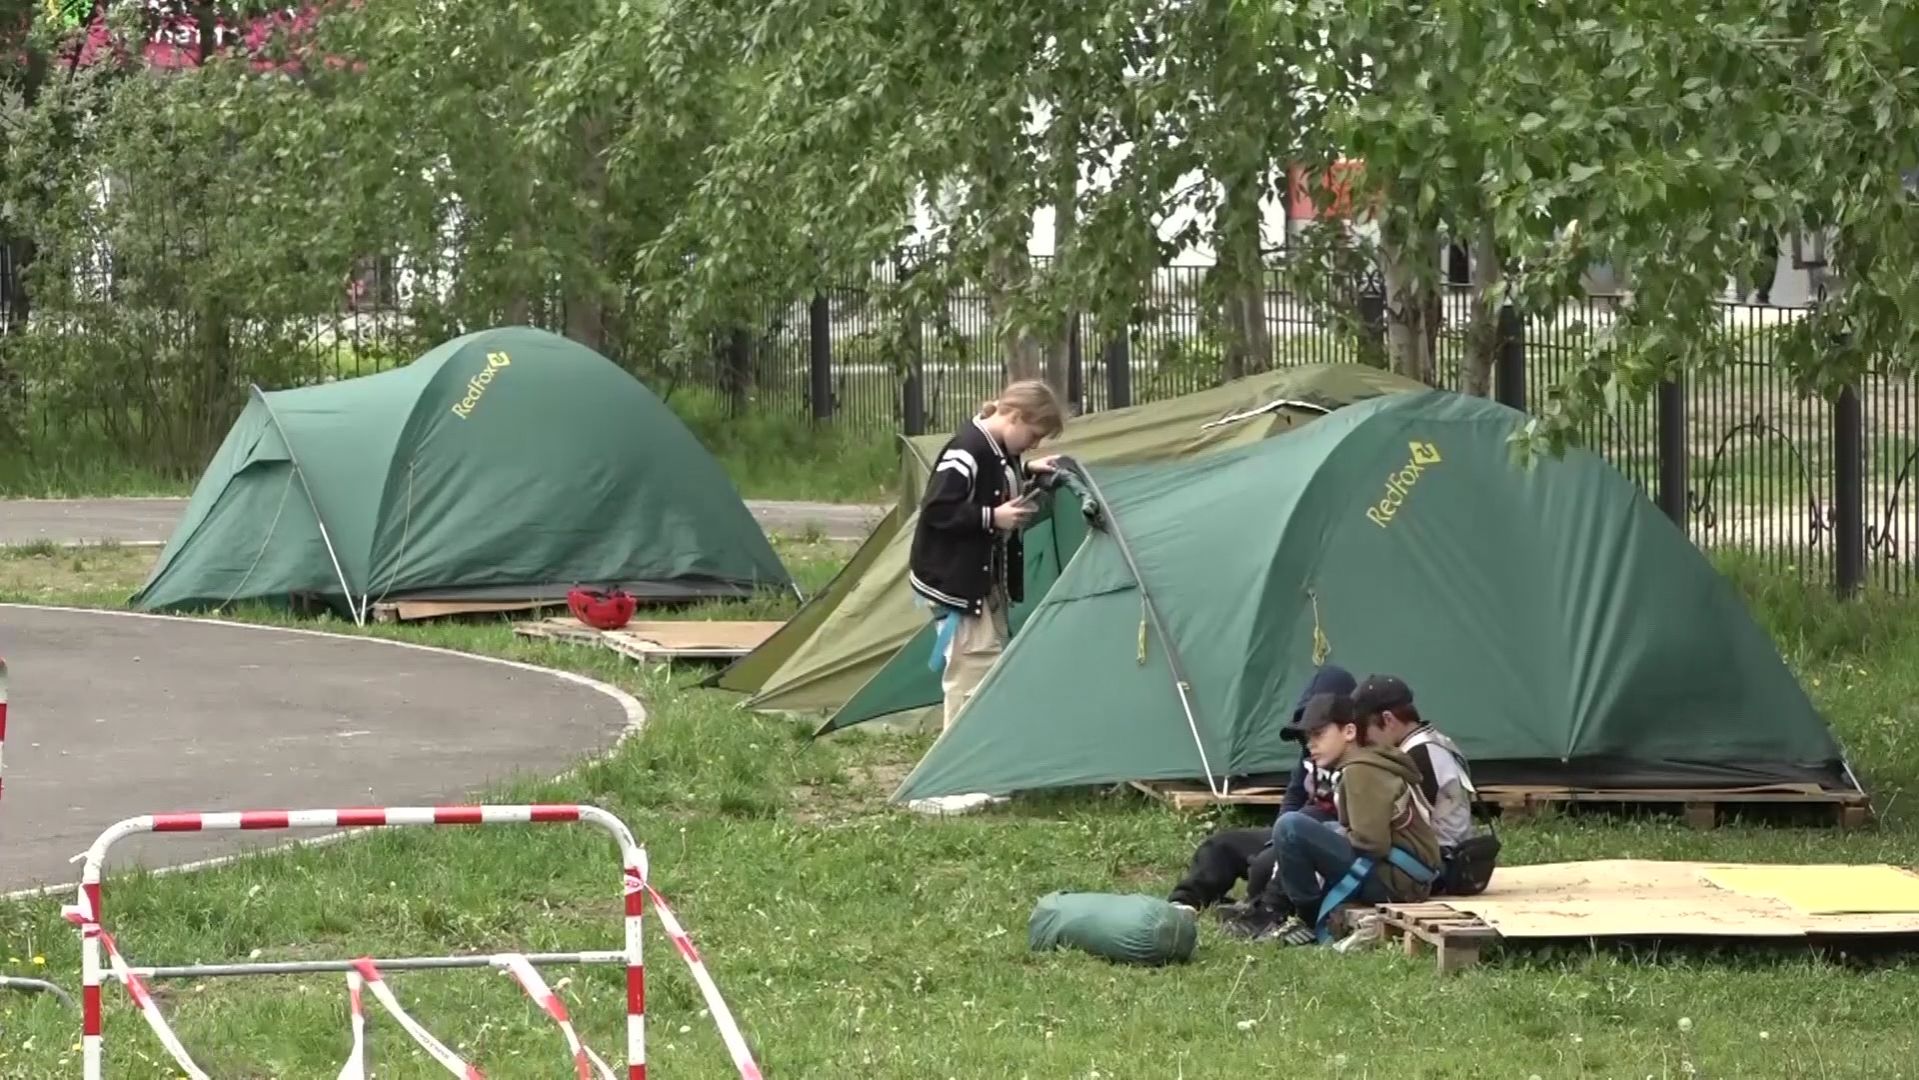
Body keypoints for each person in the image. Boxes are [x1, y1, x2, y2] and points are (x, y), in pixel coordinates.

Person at [907, 379, 1066, 733]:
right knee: (971, 670)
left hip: (981, 579)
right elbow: (937, 509)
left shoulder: (1000, 449)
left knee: (987, 663)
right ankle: (954, 779)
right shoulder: (967, 450)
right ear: (1013, 416)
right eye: (1034, 436)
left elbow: (993, 481)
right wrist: (992, 517)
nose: (1034, 444)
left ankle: (971, 763)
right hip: (955, 581)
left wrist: (1026, 471)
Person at [1228, 692, 1443, 945]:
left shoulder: (1360, 770)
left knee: (1290, 827)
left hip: (1399, 882)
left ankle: (1305, 917)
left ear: (1349, 732)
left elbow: (1372, 844)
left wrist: (1324, 842)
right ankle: (1284, 909)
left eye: (1318, 734)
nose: (1310, 744)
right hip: (1408, 876)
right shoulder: (1363, 763)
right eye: (1308, 738)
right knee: (1315, 827)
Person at [1174, 665, 1355, 917]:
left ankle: (1260, 910)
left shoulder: (1359, 764)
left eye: (1319, 730)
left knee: (1264, 867)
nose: (1310, 741)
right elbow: (1294, 795)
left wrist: (1285, 845)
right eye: (1306, 733)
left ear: (1348, 727)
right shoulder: (1312, 750)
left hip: (1323, 842)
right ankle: (1184, 903)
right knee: (1220, 846)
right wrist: (1278, 838)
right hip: (1293, 831)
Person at [1352, 674, 1499, 895]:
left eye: (1369, 738)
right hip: (1449, 855)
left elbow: (1395, 826)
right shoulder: (1436, 741)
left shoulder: (1417, 757)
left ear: (1388, 719)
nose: (1369, 747)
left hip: (1438, 866)